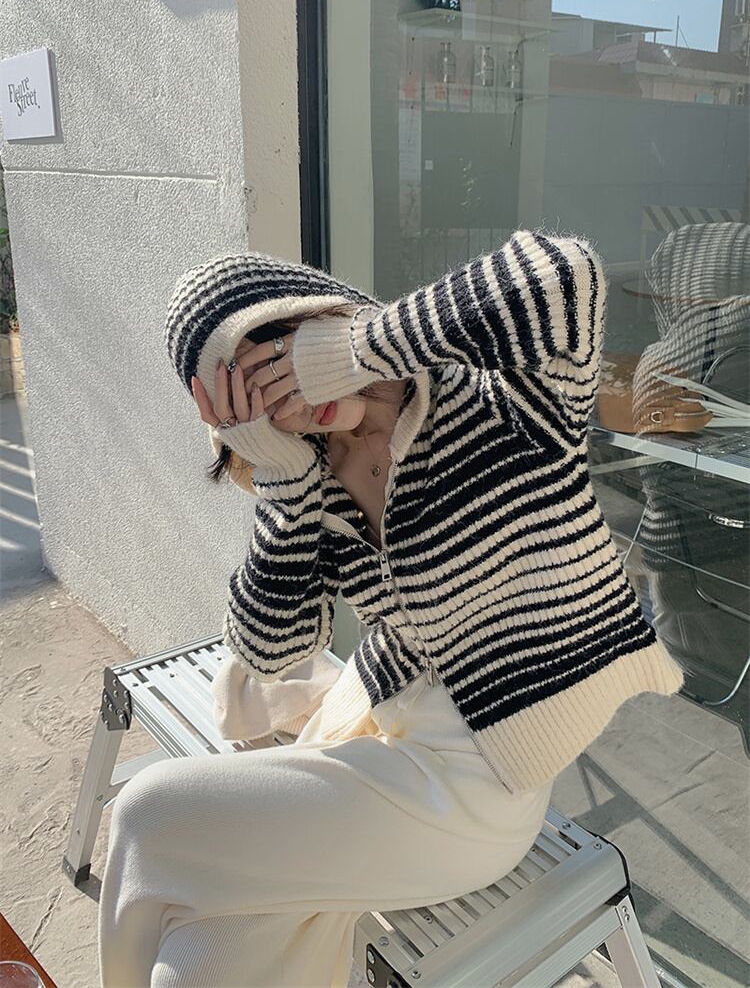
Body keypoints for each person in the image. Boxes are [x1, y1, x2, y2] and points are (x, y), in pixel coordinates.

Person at [98, 230, 685, 987]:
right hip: (377, 739)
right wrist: (283, 487)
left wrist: (354, 353)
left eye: (279, 362)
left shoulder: (503, 408)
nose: (288, 401)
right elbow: (269, 649)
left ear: (315, 316)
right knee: (199, 960)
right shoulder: (315, 476)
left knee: (146, 812)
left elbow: (565, 274)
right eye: (253, 398)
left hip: (477, 786)